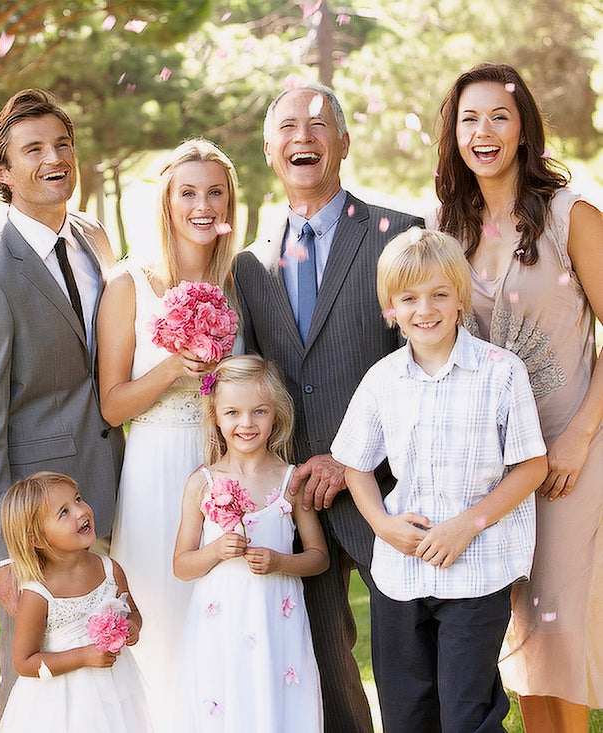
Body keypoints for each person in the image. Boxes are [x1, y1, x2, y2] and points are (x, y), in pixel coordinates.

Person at [231, 81, 424, 731]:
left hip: (393, 487)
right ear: (268, 150)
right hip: (299, 502)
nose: (302, 137)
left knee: (415, 661)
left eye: (318, 124)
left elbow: (428, 367)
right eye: (287, 127)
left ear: (343, 141)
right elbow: (254, 382)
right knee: (323, 671)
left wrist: (354, 457)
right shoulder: (248, 267)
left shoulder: (400, 234)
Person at [0, 88, 124, 726]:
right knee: (29, 673)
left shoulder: (93, 241)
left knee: (115, 664)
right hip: (38, 522)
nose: (54, 158)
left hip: (113, 488)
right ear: (1, 170)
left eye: (62, 144)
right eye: (33, 150)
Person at [435, 62, 603, 732]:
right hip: (493, 469)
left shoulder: (570, 215)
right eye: (469, 118)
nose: (484, 131)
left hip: (571, 459)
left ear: (524, 129)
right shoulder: (444, 225)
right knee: (521, 635)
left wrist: (582, 433)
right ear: (453, 133)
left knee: (559, 630)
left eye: (499, 116)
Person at [331, 227, 548, 732]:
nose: (424, 309)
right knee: (406, 714)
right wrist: (383, 526)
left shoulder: (500, 372)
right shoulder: (383, 379)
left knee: (466, 714)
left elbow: (531, 466)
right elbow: (355, 464)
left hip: (477, 570)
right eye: (408, 298)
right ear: (391, 307)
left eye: (439, 295)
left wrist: (466, 525)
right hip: (400, 573)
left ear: (460, 299)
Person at [97, 138, 239, 722]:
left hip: (224, 468)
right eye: (188, 192)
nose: (201, 205)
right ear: (167, 202)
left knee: (225, 613)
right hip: (156, 464)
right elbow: (111, 406)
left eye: (215, 192)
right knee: (162, 610)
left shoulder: (242, 280)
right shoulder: (129, 283)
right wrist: (174, 365)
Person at [173, 355, 328, 731]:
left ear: (276, 414)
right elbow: (181, 565)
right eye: (233, 413)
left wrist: (280, 562)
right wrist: (215, 551)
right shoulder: (202, 483)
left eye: (259, 411)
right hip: (221, 622)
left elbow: (318, 557)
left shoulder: (291, 480)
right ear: (216, 417)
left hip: (276, 619)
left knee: (275, 703)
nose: (246, 423)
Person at [0, 471, 152, 732]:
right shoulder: (37, 593)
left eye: (78, 500)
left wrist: (132, 627)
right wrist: (84, 656)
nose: (80, 512)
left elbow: (132, 612)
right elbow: (24, 662)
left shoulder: (109, 569)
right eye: (64, 512)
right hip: (60, 701)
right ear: (36, 539)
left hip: (114, 687)